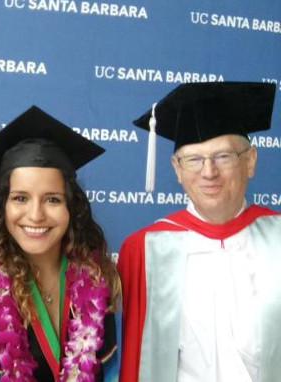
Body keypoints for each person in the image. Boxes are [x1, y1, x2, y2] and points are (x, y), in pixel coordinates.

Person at [118, 82, 281, 382]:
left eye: (224, 156)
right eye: (194, 159)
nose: (208, 172)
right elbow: (135, 361)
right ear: (177, 169)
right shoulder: (145, 250)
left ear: (250, 161)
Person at [0, 106, 119, 382]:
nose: (36, 215)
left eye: (52, 199)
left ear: (72, 208)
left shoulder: (98, 282)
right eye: (20, 198)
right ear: (3, 207)